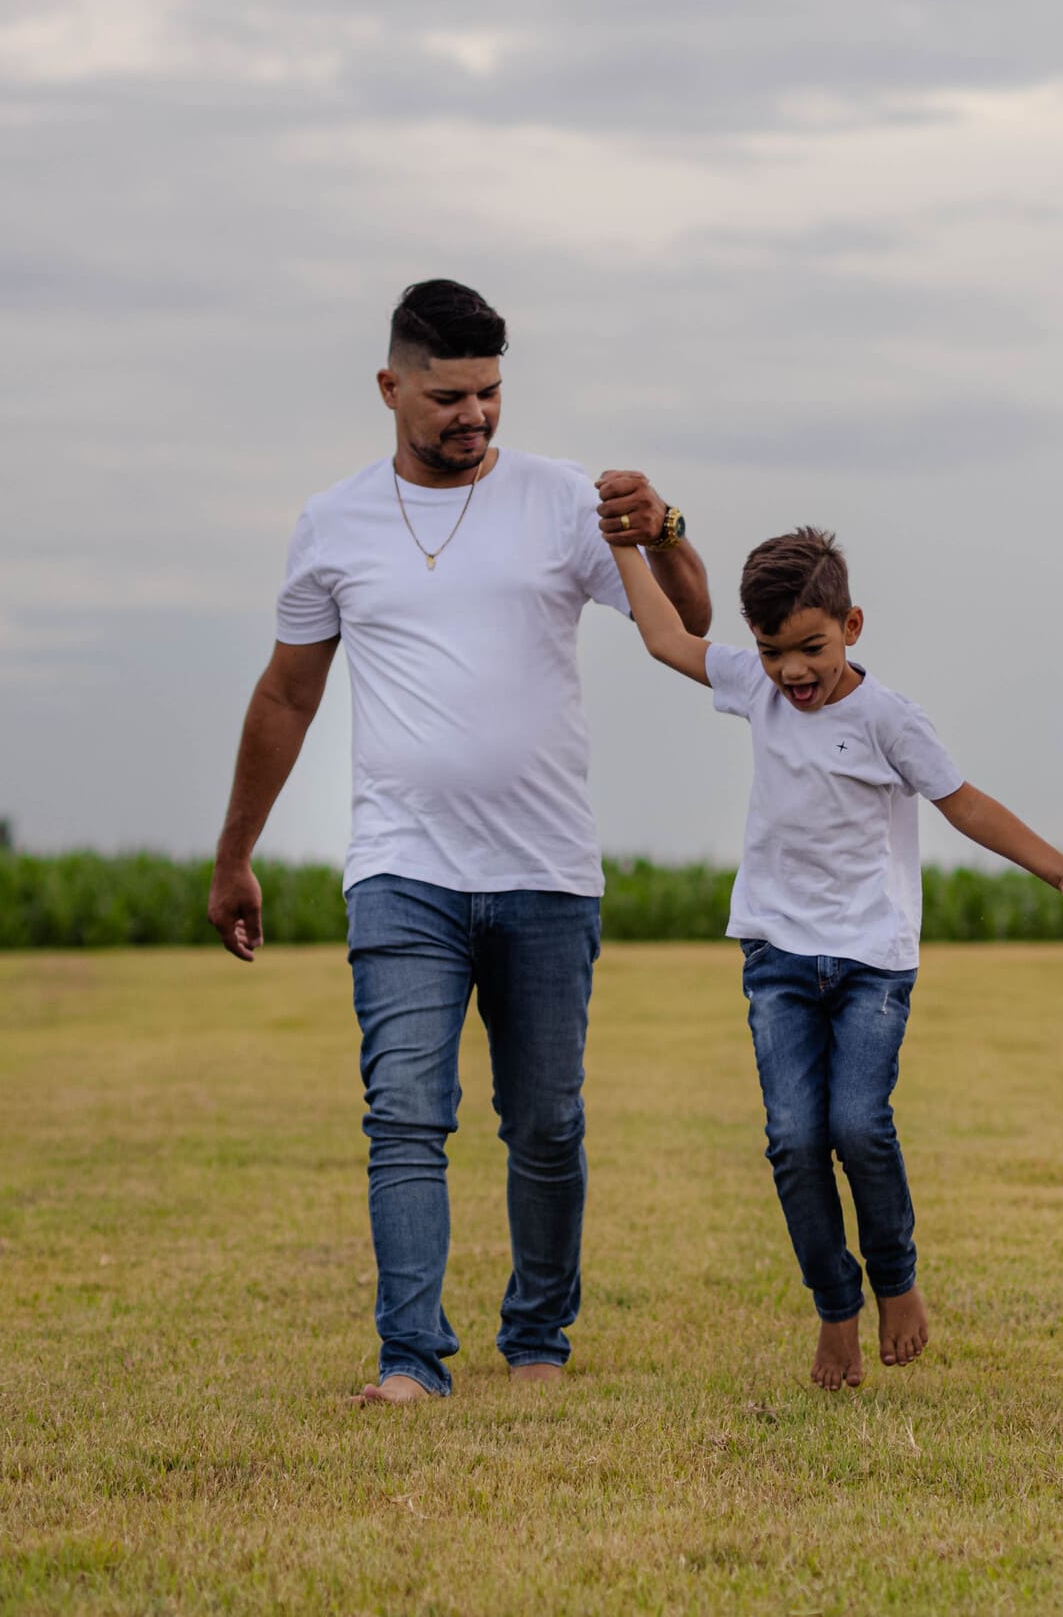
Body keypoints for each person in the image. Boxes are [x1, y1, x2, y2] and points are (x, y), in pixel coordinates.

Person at [204, 278, 713, 1406]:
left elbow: (687, 624)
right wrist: (236, 851)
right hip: (402, 873)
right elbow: (286, 697)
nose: (472, 414)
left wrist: (664, 526)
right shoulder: (332, 521)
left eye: (487, 392)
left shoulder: (565, 499)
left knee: (545, 1123)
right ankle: (409, 1361)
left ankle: (536, 1335)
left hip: (545, 872)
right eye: (446, 395)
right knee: (404, 1114)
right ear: (391, 388)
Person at [601, 525, 1063, 1388]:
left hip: (871, 962)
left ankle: (896, 1282)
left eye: (810, 648)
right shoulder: (755, 685)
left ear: (852, 625)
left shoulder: (889, 719)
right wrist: (627, 542)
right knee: (793, 1139)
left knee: (857, 1126)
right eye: (773, 650)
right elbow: (666, 637)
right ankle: (836, 1310)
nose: (792, 671)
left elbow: (966, 807)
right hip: (778, 958)